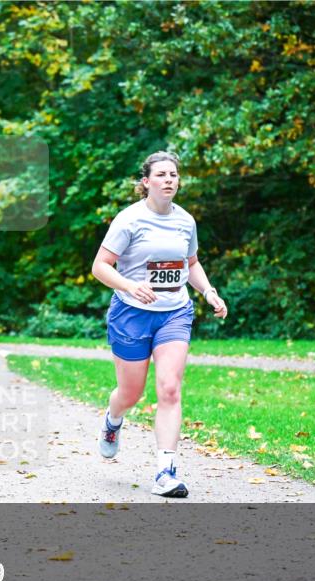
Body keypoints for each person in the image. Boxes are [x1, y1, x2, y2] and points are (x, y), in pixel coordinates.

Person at [90, 151, 227, 498]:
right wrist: (130, 285)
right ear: (146, 181)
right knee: (131, 393)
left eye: (174, 175)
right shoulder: (129, 220)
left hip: (174, 313)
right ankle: (113, 419)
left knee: (169, 388)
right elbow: (100, 266)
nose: (169, 180)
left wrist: (209, 292)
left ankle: (166, 472)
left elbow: (191, 263)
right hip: (131, 314)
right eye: (162, 174)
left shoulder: (186, 221)